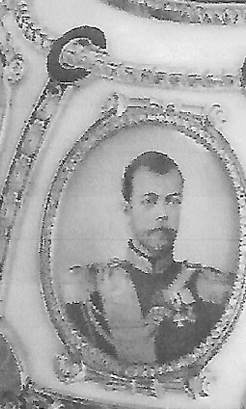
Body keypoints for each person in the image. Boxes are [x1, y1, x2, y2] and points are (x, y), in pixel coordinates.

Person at [62, 150, 234, 365]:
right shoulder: (90, 289)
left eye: (172, 201)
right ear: (127, 210)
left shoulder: (210, 291)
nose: (162, 213)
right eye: (149, 201)